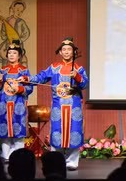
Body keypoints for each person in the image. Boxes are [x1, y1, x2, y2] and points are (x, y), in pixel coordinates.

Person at [25, 37, 88, 170]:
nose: (66, 52)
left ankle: (72, 161)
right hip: (58, 106)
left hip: (74, 106)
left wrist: (77, 76)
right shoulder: (53, 68)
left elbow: (84, 84)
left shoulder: (79, 68)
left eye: (69, 49)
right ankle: (56, 161)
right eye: (63, 49)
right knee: (57, 131)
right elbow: (40, 77)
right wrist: (26, 78)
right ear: (60, 52)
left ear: (74, 52)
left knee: (74, 131)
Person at [0, 40, 32, 161]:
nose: (11, 55)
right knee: (5, 132)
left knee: (18, 132)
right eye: (9, 53)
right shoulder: (2, 70)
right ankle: (5, 155)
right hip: (4, 105)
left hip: (18, 105)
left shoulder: (24, 71)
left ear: (19, 55)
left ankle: (17, 157)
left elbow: (29, 88)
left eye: (14, 53)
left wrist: (19, 88)